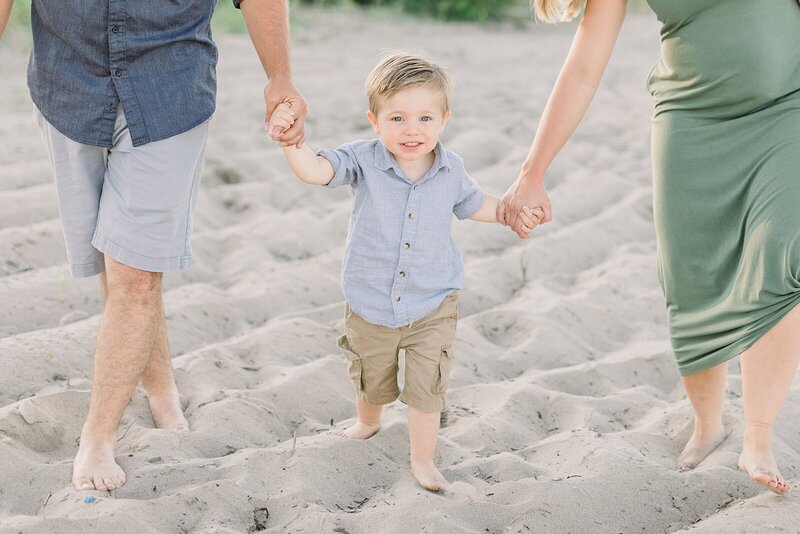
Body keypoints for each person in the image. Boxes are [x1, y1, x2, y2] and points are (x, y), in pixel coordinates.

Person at [0, 0, 307, 492]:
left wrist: (280, 76)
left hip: (169, 88)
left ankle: (99, 435)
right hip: (68, 84)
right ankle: (159, 379)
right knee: (114, 255)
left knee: (136, 273)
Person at [498, 0, 800, 495]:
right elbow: (583, 69)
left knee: (781, 253)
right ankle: (707, 424)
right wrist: (532, 172)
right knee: (692, 277)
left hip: (788, 108)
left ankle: (759, 435)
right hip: (691, 118)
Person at [268, 52, 543, 491]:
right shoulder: (362, 159)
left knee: (426, 387)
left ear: (444, 120)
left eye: (424, 118)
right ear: (374, 121)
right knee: (371, 377)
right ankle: (368, 423)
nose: (411, 129)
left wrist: (513, 214)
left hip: (432, 303)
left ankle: (423, 458)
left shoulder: (451, 169)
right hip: (370, 300)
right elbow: (317, 172)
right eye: (396, 117)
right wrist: (292, 146)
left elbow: (478, 206)